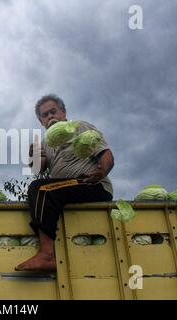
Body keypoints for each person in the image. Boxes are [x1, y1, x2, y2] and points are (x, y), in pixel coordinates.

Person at [15, 94, 114, 272]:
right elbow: (38, 170)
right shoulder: (46, 143)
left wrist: (102, 172)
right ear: (41, 121)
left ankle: (47, 255)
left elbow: (106, 155)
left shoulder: (80, 126)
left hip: (92, 185)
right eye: (45, 115)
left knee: (41, 189)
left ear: (63, 112)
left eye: (53, 111)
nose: (50, 117)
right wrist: (34, 157)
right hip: (67, 190)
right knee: (38, 186)